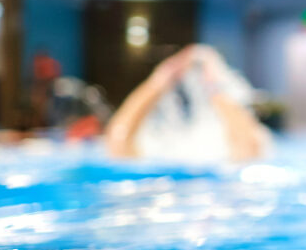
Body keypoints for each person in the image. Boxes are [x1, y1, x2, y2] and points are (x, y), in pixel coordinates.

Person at [105, 45, 270, 162]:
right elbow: (118, 142)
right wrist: (157, 83)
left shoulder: (213, 144)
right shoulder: (165, 144)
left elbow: (249, 149)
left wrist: (156, 83)